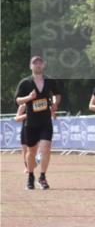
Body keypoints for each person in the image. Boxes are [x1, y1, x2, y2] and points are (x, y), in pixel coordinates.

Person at [15, 55, 61, 190]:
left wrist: (55, 104)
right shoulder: (25, 83)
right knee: (31, 152)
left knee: (46, 148)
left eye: (40, 63)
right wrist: (29, 97)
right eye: (35, 63)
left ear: (44, 65)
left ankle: (42, 177)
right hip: (31, 123)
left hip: (46, 121)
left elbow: (57, 94)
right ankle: (30, 176)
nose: (38, 65)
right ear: (31, 66)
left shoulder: (49, 81)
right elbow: (17, 100)